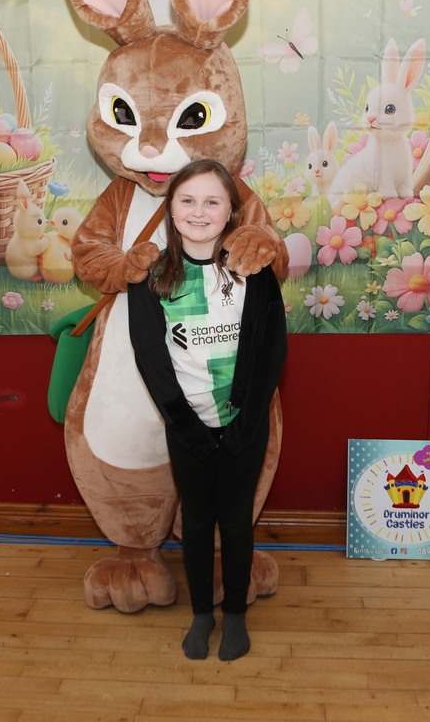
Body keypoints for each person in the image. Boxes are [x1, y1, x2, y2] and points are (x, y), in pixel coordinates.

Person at [128, 159, 287, 661]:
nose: (199, 212)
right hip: (187, 426)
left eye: (212, 201)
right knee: (196, 522)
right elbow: (151, 358)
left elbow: (272, 350)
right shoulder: (150, 276)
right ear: (171, 210)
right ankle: (202, 614)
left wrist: (246, 422)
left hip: (244, 424)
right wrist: (187, 426)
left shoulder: (253, 271)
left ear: (231, 212)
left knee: (236, 521)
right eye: (188, 200)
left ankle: (235, 614)